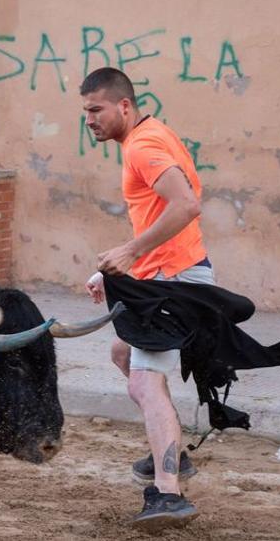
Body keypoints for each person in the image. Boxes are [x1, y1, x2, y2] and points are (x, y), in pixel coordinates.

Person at [80, 67, 207, 532]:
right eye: (85, 112)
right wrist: (113, 268)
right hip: (168, 275)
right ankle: (174, 454)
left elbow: (186, 205)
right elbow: (161, 214)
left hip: (177, 280)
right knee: (123, 354)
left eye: (97, 110)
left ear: (124, 106)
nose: (90, 120)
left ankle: (169, 494)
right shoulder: (150, 135)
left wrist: (130, 251)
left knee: (144, 382)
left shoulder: (142, 145)